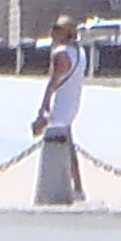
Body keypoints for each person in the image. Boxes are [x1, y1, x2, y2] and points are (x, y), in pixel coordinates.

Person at [35, 15, 89, 148]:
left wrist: (42, 109)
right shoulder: (80, 52)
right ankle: (72, 168)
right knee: (67, 141)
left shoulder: (61, 53)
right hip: (73, 102)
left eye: (58, 29)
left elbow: (53, 83)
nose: (53, 32)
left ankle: (63, 168)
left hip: (61, 104)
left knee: (55, 141)